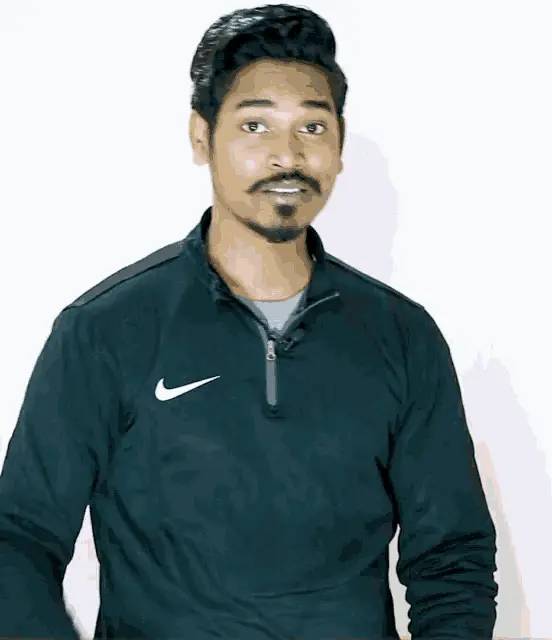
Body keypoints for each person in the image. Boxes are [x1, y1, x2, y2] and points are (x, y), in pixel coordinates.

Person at [0, 4, 499, 639]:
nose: (287, 156)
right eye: (255, 125)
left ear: (340, 145)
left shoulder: (403, 337)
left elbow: (452, 558)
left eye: (312, 127)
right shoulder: (105, 332)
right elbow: (18, 541)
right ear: (201, 136)